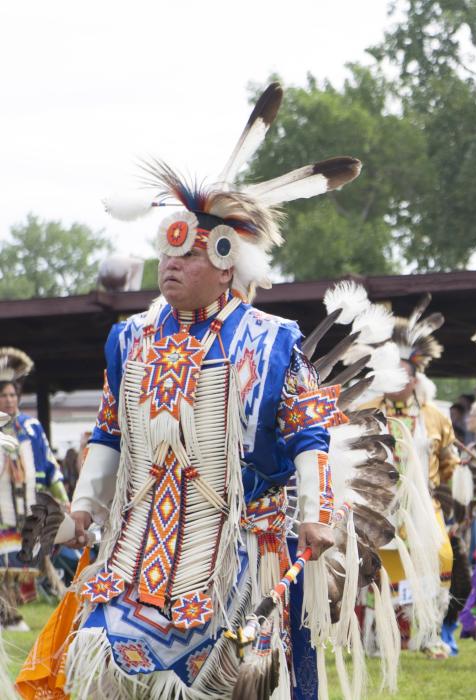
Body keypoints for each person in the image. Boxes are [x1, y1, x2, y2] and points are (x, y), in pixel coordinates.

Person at [60, 82, 364, 697]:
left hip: (242, 548)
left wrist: (315, 514)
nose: (171, 265)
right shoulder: (131, 340)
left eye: (191, 256)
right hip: (141, 544)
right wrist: (85, 505)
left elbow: (310, 432)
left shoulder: (271, 341)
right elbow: (111, 428)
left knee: (239, 680)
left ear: (228, 264)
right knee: (106, 661)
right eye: (167, 253)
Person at [343, 287, 457, 658]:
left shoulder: (435, 415)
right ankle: (377, 635)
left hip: (426, 504)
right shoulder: (367, 411)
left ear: (415, 377)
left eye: (405, 374)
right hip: (378, 503)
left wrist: (446, 499)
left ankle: (427, 632)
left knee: (440, 558)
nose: (398, 380)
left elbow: (448, 462)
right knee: (380, 565)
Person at [0, 348, 66, 630]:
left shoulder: (32, 427)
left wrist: (65, 501)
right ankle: (8, 615)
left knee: (22, 560)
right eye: (4, 395)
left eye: (13, 395)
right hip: (2, 508)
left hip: (28, 507)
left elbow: (50, 467)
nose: (10, 399)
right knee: (3, 561)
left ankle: (12, 612)